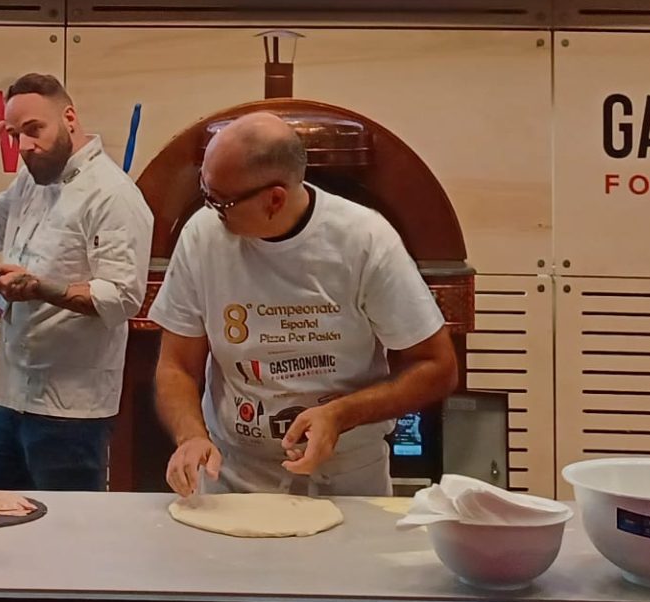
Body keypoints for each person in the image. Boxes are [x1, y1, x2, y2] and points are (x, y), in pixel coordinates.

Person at [148, 112, 458, 497]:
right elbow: (176, 366)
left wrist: (341, 415)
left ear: (275, 199)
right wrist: (191, 435)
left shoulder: (364, 240)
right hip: (235, 473)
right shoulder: (202, 238)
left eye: (222, 202)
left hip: (348, 477)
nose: (211, 209)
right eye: (205, 192)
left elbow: (436, 367)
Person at [0, 73, 152, 491]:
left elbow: (122, 297)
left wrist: (40, 288)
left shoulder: (113, 195)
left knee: (68, 525)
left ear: (69, 118)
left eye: (34, 130)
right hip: (10, 394)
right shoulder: (31, 180)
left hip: (71, 409)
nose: (24, 146)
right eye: (15, 135)